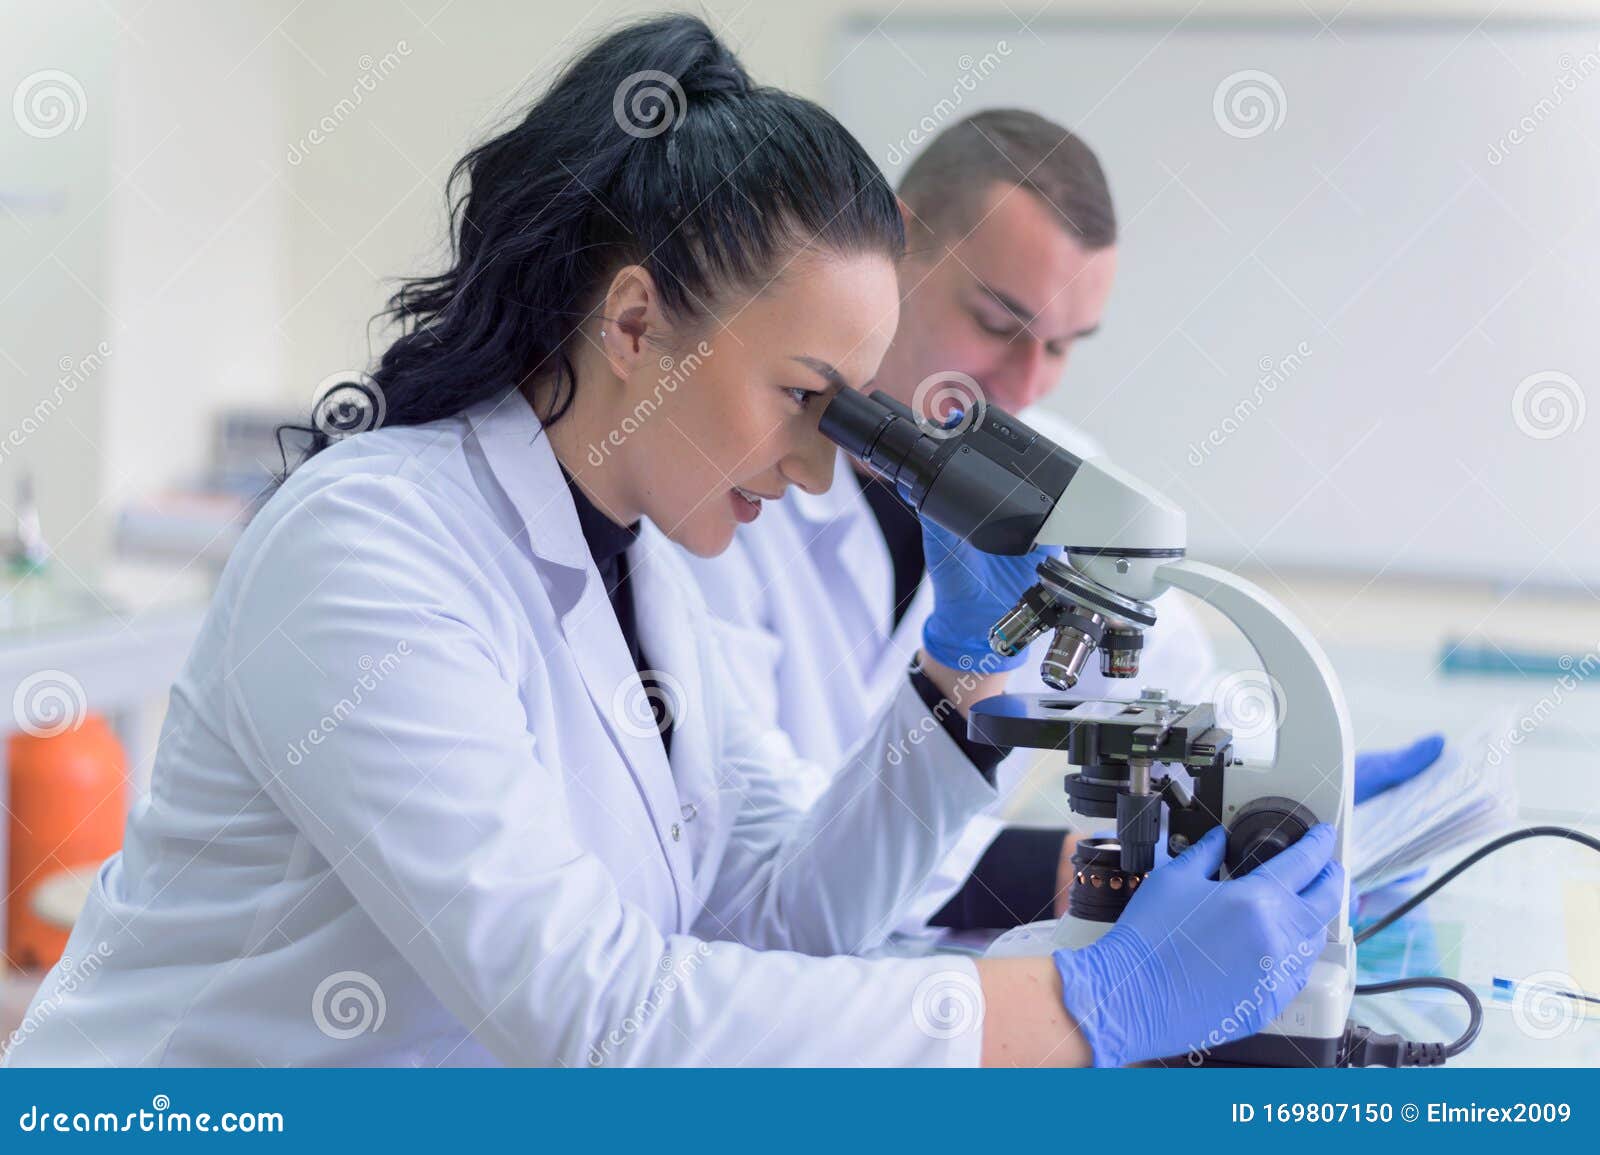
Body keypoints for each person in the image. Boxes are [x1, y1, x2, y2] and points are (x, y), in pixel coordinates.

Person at [2, 17, 1340, 1069]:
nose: (824, 463)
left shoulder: (644, 565)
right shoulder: (369, 551)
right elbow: (601, 1016)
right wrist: (1086, 1004)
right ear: (635, 324)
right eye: (806, 397)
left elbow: (771, 914)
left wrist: (963, 688)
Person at [682, 109, 1441, 933]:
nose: (1028, 385)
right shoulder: (725, 487)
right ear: (893, 246)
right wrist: (1087, 876)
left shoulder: (1063, 483)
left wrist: (1272, 795)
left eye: (1063, 345)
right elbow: (779, 859)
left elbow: (1176, 688)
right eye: (999, 324)